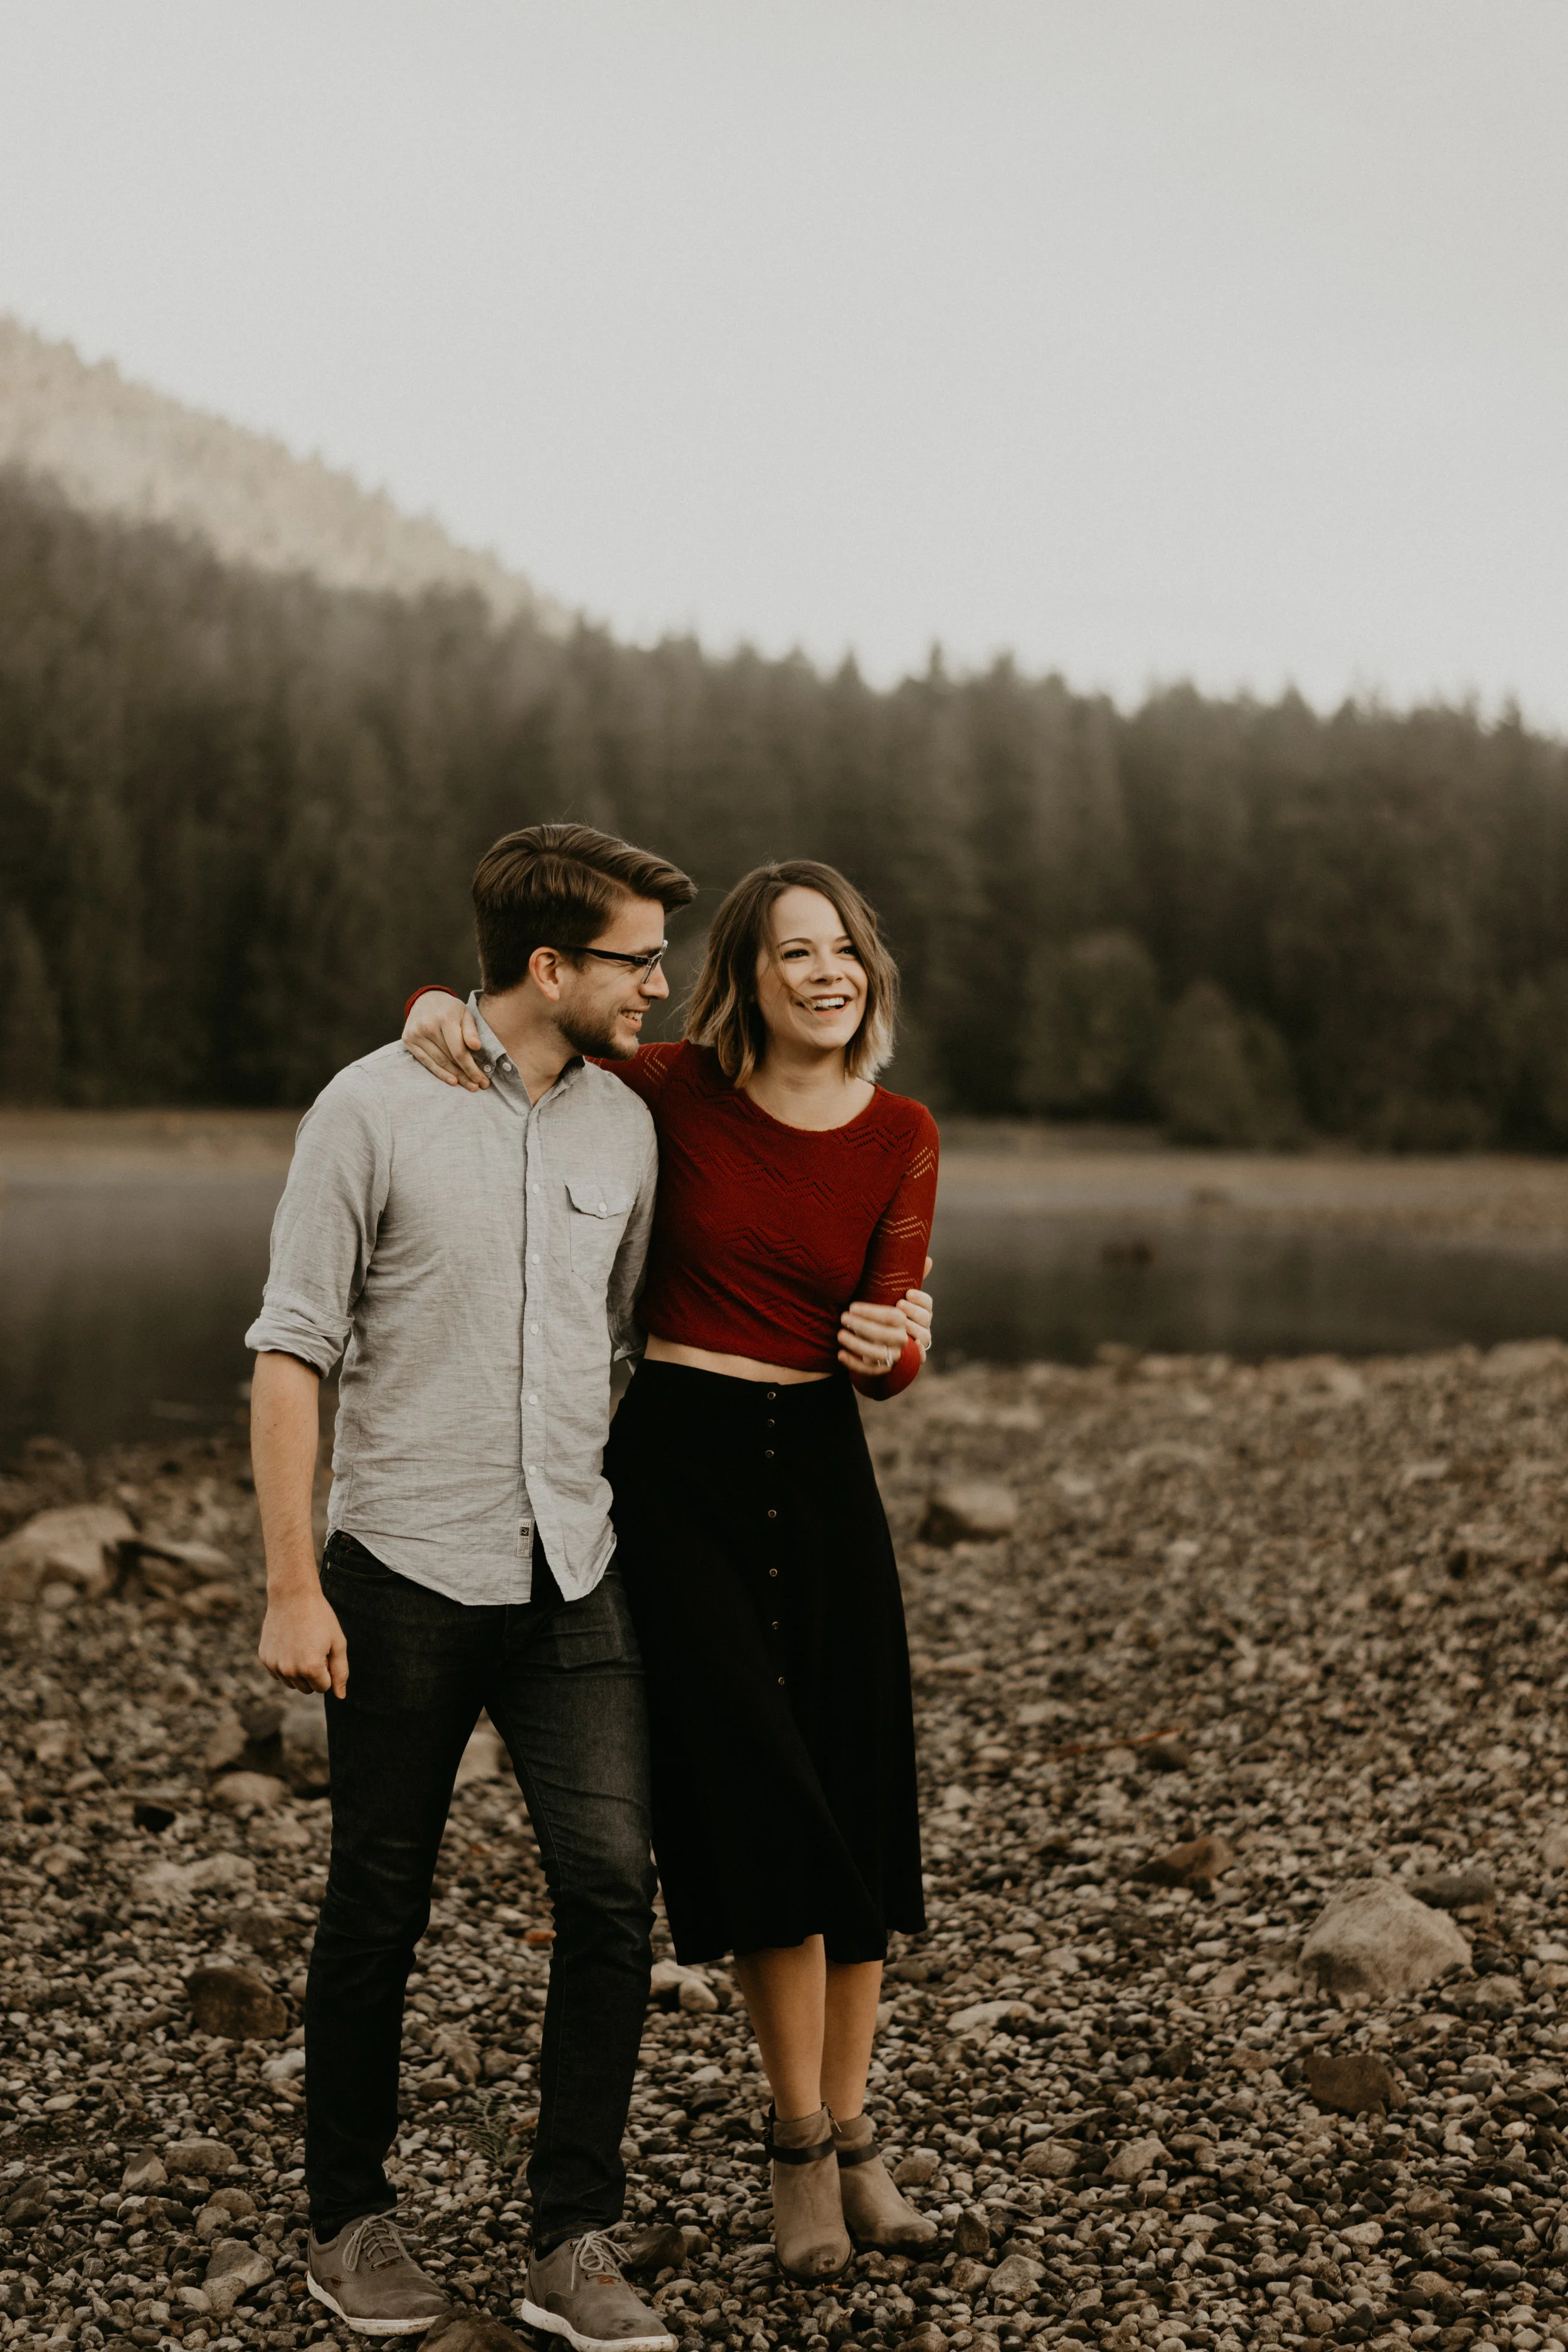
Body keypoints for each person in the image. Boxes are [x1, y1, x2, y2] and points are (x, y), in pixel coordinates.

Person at [401, 856, 941, 2284]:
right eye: (793, 953)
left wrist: (899, 1352)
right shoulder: (668, 1092)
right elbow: (531, 1030)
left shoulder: (901, 1132)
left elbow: (889, 1331)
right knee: (758, 1794)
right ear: (745, 982)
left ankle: (862, 2134)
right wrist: (431, 1008)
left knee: (855, 1796)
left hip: (822, 1473)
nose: (827, 972)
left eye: (845, 949)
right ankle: (795, 2143)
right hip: (680, 1470)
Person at [246, 824, 700, 2352]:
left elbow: (628, 1338)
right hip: (401, 1572)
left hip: (574, 1570)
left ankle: (571, 2240)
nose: (660, 982)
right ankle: (344, 2225)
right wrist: (291, 1584)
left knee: (607, 1897)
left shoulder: (625, 1131)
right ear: (550, 966)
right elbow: (290, 1349)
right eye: (637, 957)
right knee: (378, 1899)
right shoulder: (367, 1109)